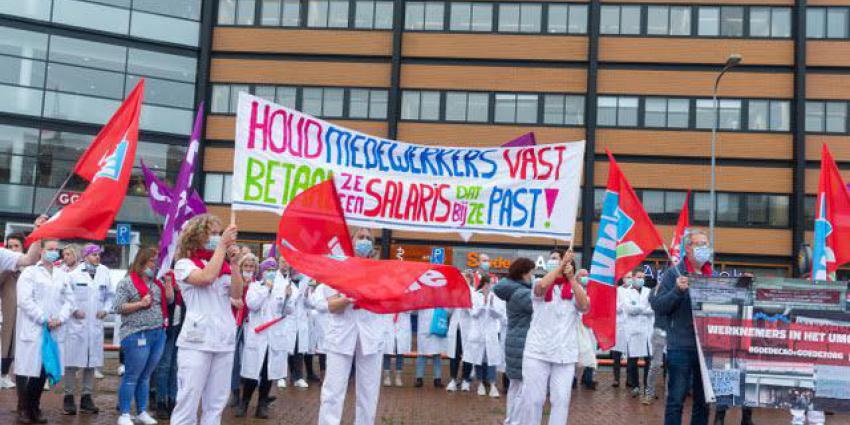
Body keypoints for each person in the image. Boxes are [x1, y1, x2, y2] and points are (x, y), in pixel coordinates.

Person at [170, 214, 242, 425]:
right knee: (188, 400)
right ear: (197, 236)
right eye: (212, 234)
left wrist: (235, 264)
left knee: (216, 403)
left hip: (223, 340)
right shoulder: (184, 264)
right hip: (196, 343)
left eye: (218, 234)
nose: (217, 237)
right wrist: (221, 247)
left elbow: (236, 294)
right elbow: (205, 278)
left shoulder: (223, 264)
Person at [317, 228, 386, 425]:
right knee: (333, 391)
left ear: (373, 245)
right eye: (360, 237)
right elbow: (332, 306)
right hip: (341, 335)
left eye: (368, 239)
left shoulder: (379, 273)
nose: (364, 241)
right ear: (352, 241)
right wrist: (348, 298)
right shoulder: (336, 269)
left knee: (368, 392)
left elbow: (384, 302)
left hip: (371, 336)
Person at [651, 228, 714, 425]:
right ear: (688, 248)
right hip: (681, 347)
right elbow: (658, 305)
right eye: (700, 244)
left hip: (707, 348)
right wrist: (677, 290)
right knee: (676, 400)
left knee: (704, 401)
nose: (704, 248)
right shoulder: (673, 274)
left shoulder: (713, 275)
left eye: (706, 244)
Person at [524, 251, 589, 425]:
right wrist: (560, 267)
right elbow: (540, 289)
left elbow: (584, 306)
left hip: (564, 354)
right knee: (534, 400)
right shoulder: (539, 282)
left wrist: (572, 279)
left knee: (561, 400)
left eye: (558, 259)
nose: (555, 261)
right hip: (538, 352)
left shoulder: (575, 288)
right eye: (552, 259)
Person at [113, 247, 172, 425]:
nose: (155, 266)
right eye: (152, 262)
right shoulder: (127, 283)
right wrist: (139, 304)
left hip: (157, 333)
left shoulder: (158, 283)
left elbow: (169, 301)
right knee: (132, 375)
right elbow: (118, 307)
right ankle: (124, 413)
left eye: (157, 262)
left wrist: (168, 283)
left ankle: (141, 411)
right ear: (142, 262)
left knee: (146, 376)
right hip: (136, 333)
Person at [15, 239, 72, 424]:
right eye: (50, 249)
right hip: (35, 328)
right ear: (41, 251)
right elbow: (25, 300)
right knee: (29, 371)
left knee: (44, 370)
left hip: (54, 329)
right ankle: (24, 408)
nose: (54, 252)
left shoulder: (63, 275)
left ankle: (35, 407)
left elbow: (70, 301)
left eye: (57, 249)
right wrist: (44, 319)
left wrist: (60, 319)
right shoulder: (30, 272)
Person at [238, 253, 289, 419]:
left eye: (273, 269)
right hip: (257, 337)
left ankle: (262, 405)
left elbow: (287, 311)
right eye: (268, 269)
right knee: (252, 373)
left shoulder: (282, 289)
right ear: (262, 271)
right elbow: (252, 304)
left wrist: (288, 298)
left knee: (268, 373)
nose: (271, 272)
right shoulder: (255, 287)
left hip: (273, 338)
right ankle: (244, 402)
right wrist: (266, 287)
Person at [62, 244, 110, 416]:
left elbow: (109, 295)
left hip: (95, 325)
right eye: (94, 254)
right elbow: (66, 295)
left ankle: (86, 398)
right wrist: (74, 309)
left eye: (99, 254)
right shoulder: (73, 275)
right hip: (77, 325)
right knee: (72, 362)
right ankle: (68, 397)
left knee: (91, 363)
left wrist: (106, 309)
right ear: (85, 256)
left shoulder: (104, 272)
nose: (98, 257)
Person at [493, 257, 536, 425]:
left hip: (515, 342)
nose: (533, 276)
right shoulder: (521, 294)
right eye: (531, 272)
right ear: (524, 274)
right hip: (522, 344)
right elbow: (540, 307)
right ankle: (515, 421)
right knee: (523, 389)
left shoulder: (513, 290)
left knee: (515, 386)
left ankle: (511, 420)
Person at [466, 275, 506, 398]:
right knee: (478, 359)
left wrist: (491, 306)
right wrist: (483, 305)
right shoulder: (474, 295)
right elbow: (472, 313)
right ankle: (480, 384)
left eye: (493, 284)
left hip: (491, 333)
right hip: (478, 333)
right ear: (484, 284)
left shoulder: (497, 296)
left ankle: (493, 385)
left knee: (491, 360)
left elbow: (499, 315)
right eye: (489, 284)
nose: (491, 286)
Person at [153, 268, 183, 420]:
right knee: (164, 366)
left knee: (176, 367)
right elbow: (169, 299)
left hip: (183, 326)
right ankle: (160, 402)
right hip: (168, 326)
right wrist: (170, 283)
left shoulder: (191, 272)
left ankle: (173, 401)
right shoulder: (165, 273)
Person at [619, 267, 653, 398]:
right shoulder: (625, 292)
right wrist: (643, 308)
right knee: (632, 361)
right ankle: (635, 386)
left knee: (648, 360)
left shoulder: (649, 291)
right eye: (639, 277)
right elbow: (628, 309)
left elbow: (653, 309)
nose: (641, 279)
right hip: (633, 331)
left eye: (643, 277)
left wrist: (638, 309)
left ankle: (647, 386)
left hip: (647, 331)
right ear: (632, 277)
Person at [0, 233, 26, 390]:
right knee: (6, 343)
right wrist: (6, 272)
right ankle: (3, 374)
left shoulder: (29, 267)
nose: (13, 249)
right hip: (7, 311)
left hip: (25, 313)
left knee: (18, 345)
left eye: (16, 246)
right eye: (10, 246)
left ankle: (12, 375)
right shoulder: (4, 265)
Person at [445, 271, 473, 392]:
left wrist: (467, 305)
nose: (463, 281)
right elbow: (448, 311)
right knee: (454, 355)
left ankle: (466, 380)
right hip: (456, 329)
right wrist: (452, 302)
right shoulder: (454, 292)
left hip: (468, 329)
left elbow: (475, 312)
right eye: (462, 279)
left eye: (466, 279)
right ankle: (453, 379)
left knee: (468, 355)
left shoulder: (474, 293)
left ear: (470, 280)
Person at [644, 270, 668, 405]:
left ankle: (670, 394)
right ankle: (649, 393)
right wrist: (658, 288)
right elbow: (652, 301)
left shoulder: (675, 291)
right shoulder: (655, 290)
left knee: (672, 365)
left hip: (673, 333)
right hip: (659, 331)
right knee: (656, 364)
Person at [415, 307, 447, 388]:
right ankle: (419, 378)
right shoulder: (421, 296)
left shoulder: (440, 297)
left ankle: (437, 379)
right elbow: (414, 310)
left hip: (436, 327)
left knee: (437, 354)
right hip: (424, 328)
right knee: (422, 354)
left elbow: (447, 310)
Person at [382, 311, 411, 387]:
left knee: (400, 352)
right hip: (388, 323)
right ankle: (386, 377)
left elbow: (411, 309)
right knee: (387, 351)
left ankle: (398, 377)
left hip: (402, 324)